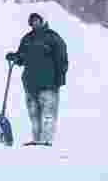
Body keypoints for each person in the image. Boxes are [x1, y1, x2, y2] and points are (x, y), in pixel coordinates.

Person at [5, 12, 68, 146]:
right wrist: (15, 57)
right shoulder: (27, 39)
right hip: (30, 84)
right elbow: (22, 57)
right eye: (32, 21)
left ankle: (46, 140)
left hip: (49, 84)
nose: (35, 23)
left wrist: (60, 79)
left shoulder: (53, 38)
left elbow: (62, 60)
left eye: (37, 20)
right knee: (34, 115)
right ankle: (37, 139)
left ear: (43, 21)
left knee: (48, 115)